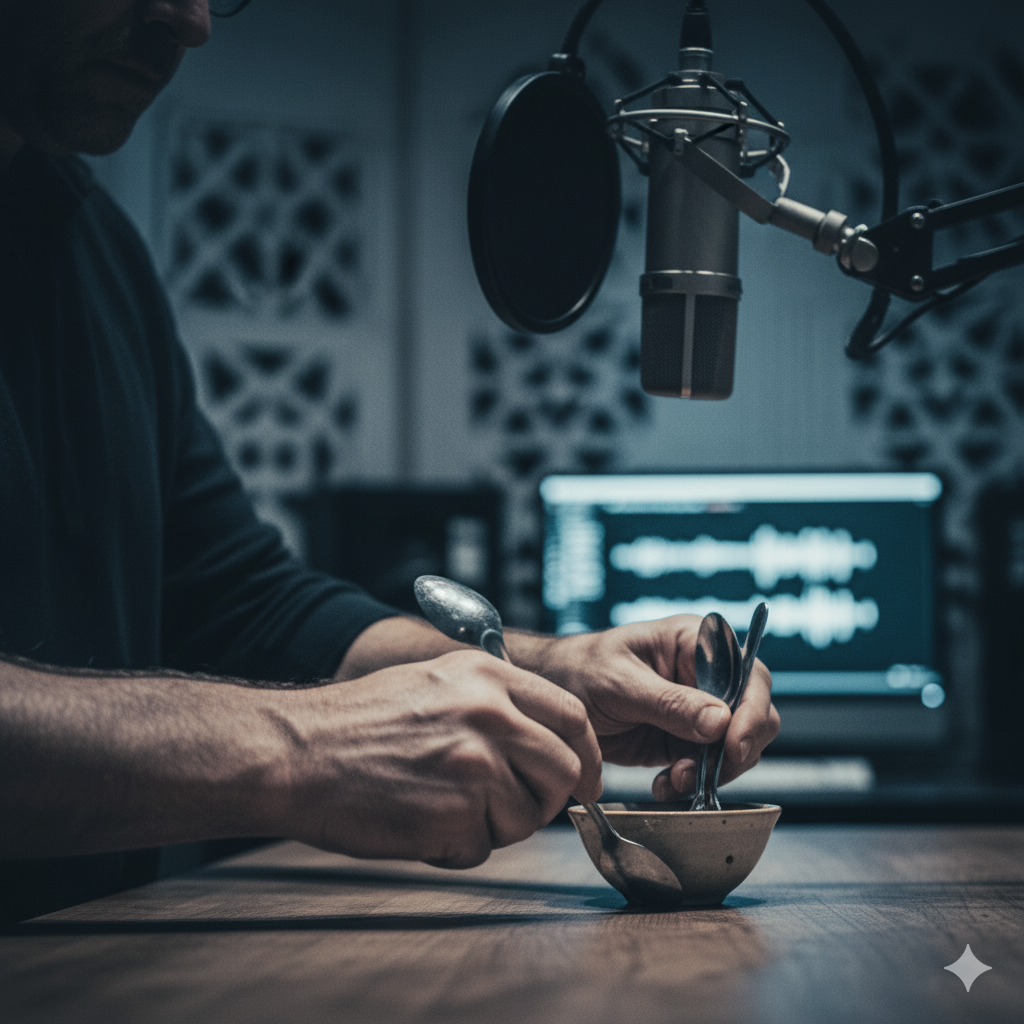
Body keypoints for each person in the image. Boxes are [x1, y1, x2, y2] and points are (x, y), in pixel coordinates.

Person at [0, 0, 779, 923]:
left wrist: (549, 676)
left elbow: (244, 606)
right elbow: (290, 706)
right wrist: (300, 751)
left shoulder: (90, 247)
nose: (192, 19)